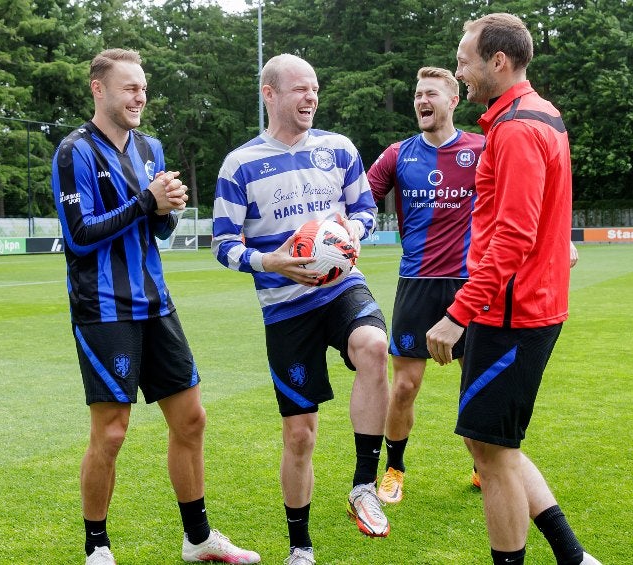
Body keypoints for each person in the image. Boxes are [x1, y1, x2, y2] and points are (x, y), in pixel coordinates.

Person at [51, 48, 259, 565]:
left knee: (191, 419)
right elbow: (79, 236)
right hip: (103, 308)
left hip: (155, 303)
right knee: (112, 430)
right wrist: (147, 201)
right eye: (129, 87)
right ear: (99, 89)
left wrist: (167, 208)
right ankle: (96, 546)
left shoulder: (151, 147)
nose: (140, 96)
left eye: (143, 87)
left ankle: (198, 538)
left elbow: (156, 227)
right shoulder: (74, 151)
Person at [426, 13, 600, 565]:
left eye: (464, 60)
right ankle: (573, 557)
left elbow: (516, 235)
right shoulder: (536, 114)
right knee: (489, 443)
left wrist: (458, 313)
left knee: (492, 455)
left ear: (497, 61)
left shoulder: (520, 129)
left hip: (513, 314)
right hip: (519, 307)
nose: (461, 71)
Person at [213, 53, 391, 565]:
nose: (310, 97)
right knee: (299, 434)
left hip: (340, 289)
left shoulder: (339, 150)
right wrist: (270, 261)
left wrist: (346, 236)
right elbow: (223, 243)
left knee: (374, 346)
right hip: (285, 309)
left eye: (315, 89)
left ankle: (363, 485)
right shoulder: (239, 164)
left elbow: (365, 210)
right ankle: (301, 547)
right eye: (299, 89)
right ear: (269, 94)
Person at [366, 67, 485, 504]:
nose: (421, 101)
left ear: (452, 101)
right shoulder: (398, 154)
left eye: (430, 93)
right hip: (416, 283)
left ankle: (482, 465)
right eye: (417, 94)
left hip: (471, 285)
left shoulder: (482, 148)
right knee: (404, 387)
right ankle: (394, 469)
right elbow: (361, 199)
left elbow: (523, 195)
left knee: (474, 385)